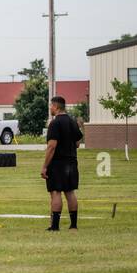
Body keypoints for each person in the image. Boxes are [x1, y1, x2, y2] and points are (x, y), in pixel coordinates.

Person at [41, 96, 83, 231]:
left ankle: (55, 226)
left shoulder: (54, 123)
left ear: (56, 107)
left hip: (58, 163)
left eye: (51, 106)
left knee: (56, 192)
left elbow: (52, 146)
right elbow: (77, 144)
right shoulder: (72, 122)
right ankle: (73, 225)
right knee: (70, 192)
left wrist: (45, 166)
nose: (50, 108)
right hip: (72, 161)